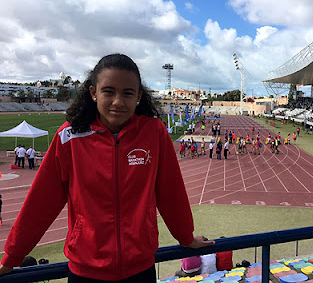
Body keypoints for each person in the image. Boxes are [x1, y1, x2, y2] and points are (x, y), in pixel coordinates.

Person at [0, 54, 214, 282]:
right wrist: (13, 256)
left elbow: (171, 192)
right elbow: (42, 201)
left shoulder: (154, 132)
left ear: (139, 97)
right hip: (85, 271)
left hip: (140, 269)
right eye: (109, 91)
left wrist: (185, 237)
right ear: (93, 92)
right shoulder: (69, 137)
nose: (118, 101)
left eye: (128, 93)